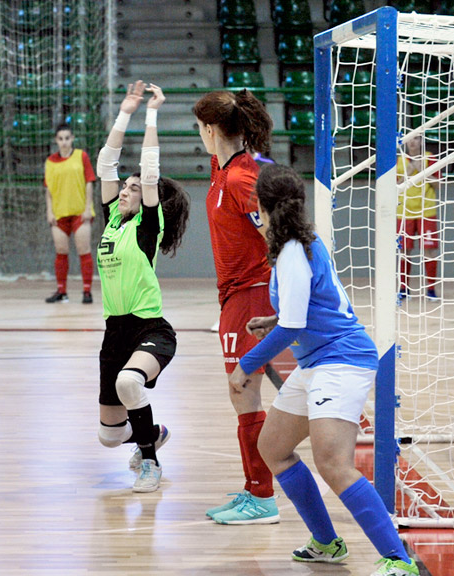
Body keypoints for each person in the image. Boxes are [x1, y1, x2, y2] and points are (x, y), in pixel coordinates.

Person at [230, 164, 419, 576]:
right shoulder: (296, 245)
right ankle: (327, 542)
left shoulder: (294, 252)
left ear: (262, 207)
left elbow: (295, 325)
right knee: (273, 448)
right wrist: (271, 321)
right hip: (317, 361)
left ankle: (398, 561)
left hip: (342, 361)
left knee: (332, 461)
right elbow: (310, 308)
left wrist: (246, 364)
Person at [93, 81, 190, 492]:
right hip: (115, 331)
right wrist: (125, 111)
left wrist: (151, 114)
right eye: (126, 188)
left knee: (129, 383)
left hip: (150, 329)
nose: (127, 191)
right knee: (109, 436)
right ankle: (153, 432)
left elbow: (149, 172)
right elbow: (105, 165)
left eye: (135, 189)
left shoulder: (147, 225)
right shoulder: (113, 219)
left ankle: (150, 462)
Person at [193, 89, 280, 524]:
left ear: (210, 130)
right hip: (234, 293)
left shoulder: (241, 178)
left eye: (200, 128)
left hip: (252, 292)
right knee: (242, 389)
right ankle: (254, 488)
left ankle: (262, 496)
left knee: (242, 388)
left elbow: (282, 230)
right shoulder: (222, 166)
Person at [44, 123, 97, 304]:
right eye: (61, 139)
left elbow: (89, 182)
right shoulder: (50, 162)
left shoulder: (81, 156)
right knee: (61, 251)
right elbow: (48, 189)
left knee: (84, 250)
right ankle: (62, 291)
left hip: (79, 212)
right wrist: (49, 211)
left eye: (67, 138)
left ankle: (87, 291)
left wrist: (87, 208)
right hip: (59, 213)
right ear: (56, 141)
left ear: (72, 138)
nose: (64, 142)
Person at [396, 134, 440, 300]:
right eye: (410, 138)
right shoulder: (399, 160)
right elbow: (395, 185)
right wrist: (409, 170)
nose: (412, 142)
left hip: (426, 210)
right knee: (404, 251)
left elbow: (438, 184)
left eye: (416, 138)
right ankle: (403, 289)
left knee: (429, 250)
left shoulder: (430, 158)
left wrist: (422, 171)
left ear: (422, 141)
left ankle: (431, 290)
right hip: (404, 211)